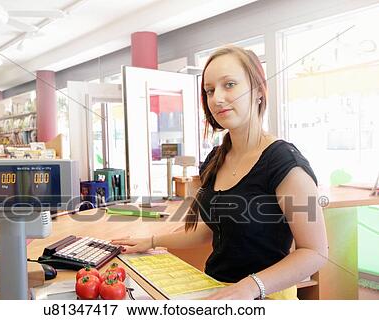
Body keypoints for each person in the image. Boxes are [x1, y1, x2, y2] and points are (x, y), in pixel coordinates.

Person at [112, 45, 328, 300]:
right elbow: (210, 230)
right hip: (214, 288)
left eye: (229, 85)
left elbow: (315, 252)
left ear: (258, 91)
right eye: (210, 90)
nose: (217, 98)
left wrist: (249, 286)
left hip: (266, 297)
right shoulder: (216, 159)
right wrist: (151, 241)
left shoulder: (283, 162)